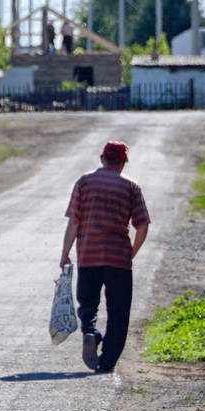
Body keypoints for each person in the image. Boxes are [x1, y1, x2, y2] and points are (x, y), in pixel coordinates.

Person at [60, 139, 149, 372]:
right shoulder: (131, 187)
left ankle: (90, 331)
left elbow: (75, 221)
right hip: (118, 258)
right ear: (123, 163)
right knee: (119, 311)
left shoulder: (84, 182)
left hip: (88, 254)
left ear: (102, 159)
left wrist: (65, 253)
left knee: (88, 304)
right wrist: (131, 253)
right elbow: (142, 227)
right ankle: (107, 362)